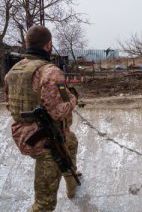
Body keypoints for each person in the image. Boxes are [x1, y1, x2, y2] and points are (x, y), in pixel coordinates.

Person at [4, 25, 80, 211]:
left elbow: (9, 105)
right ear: (48, 45)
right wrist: (73, 99)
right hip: (45, 142)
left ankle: (72, 180)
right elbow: (57, 112)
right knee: (44, 204)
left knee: (71, 141)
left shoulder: (12, 71)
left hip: (21, 134)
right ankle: (66, 175)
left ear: (26, 43)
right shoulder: (51, 72)